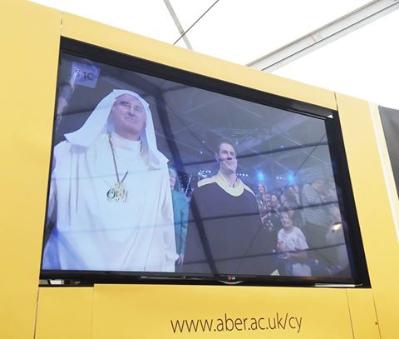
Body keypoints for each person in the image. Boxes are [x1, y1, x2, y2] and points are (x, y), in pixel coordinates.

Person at [42, 89, 177, 272]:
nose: (131, 110)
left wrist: (167, 271)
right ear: (110, 110)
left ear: (146, 121)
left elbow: (165, 224)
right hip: (71, 274)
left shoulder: (157, 167)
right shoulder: (74, 151)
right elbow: (42, 206)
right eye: (125, 104)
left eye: (138, 108)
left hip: (132, 279)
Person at [182, 141, 275, 276]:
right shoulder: (203, 189)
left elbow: (257, 239)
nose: (229, 156)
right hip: (214, 273)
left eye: (232, 153)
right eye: (225, 152)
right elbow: (194, 238)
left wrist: (269, 269)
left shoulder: (249, 195)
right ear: (217, 157)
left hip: (246, 274)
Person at [277, 212, 311, 276]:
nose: (284, 220)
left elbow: (305, 256)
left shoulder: (297, 232)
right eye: (282, 218)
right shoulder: (280, 232)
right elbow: (282, 251)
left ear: (292, 220)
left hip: (300, 263)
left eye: (287, 217)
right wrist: (279, 249)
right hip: (286, 263)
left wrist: (291, 255)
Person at [169, 167, 189, 266]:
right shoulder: (154, 196)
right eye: (168, 175)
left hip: (174, 247)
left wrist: (182, 251)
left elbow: (185, 226)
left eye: (173, 176)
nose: (171, 178)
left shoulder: (181, 198)